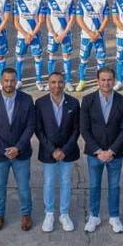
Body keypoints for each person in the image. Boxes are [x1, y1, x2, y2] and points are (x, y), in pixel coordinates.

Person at [0, 68, 36, 231]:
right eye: (6, 80)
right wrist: (5, 149)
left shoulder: (27, 100)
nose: (9, 84)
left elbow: (30, 126)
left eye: (12, 80)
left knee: (24, 187)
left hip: (21, 153)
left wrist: (18, 148)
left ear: (16, 81)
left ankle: (26, 215)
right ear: (1, 81)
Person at [80, 66, 123, 234]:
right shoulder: (87, 100)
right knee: (94, 185)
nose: (106, 83)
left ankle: (114, 216)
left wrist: (111, 151)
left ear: (114, 81)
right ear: (97, 81)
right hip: (95, 154)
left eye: (109, 79)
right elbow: (84, 129)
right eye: (103, 79)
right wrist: (98, 151)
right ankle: (94, 216)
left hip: (115, 153)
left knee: (114, 186)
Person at [35, 70, 80, 232]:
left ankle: (64, 214)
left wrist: (65, 150)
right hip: (49, 152)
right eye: (53, 82)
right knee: (48, 182)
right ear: (48, 84)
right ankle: (49, 214)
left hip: (68, 152)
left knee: (66, 182)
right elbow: (38, 130)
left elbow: (76, 129)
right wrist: (53, 150)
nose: (57, 85)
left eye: (60, 82)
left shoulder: (74, 103)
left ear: (64, 83)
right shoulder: (40, 103)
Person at [75, 0, 109, 92]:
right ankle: (82, 81)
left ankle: (101, 81)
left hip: (99, 36)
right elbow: (79, 19)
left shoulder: (103, 1)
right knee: (84, 59)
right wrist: (90, 33)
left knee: (101, 60)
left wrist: (98, 32)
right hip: (86, 36)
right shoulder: (82, 1)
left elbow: (106, 19)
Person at [13, 0, 46, 90]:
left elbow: (41, 21)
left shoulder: (39, 1)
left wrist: (31, 35)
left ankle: (39, 81)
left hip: (35, 35)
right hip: (22, 36)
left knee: (38, 57)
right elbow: (16, 22)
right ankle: (19, 81)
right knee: (20, 57)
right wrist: (25, 35)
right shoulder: (17, 2)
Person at [43, 0, 76, 87]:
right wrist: (53, 33)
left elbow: (72, 19)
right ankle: (51, 81)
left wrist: (64, 33)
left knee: (66, 56)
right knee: (51, 56)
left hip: (66, 34)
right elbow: (47, 19)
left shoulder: (70, 0)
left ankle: (67, 82)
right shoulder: (49, 1)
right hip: (53, 35)